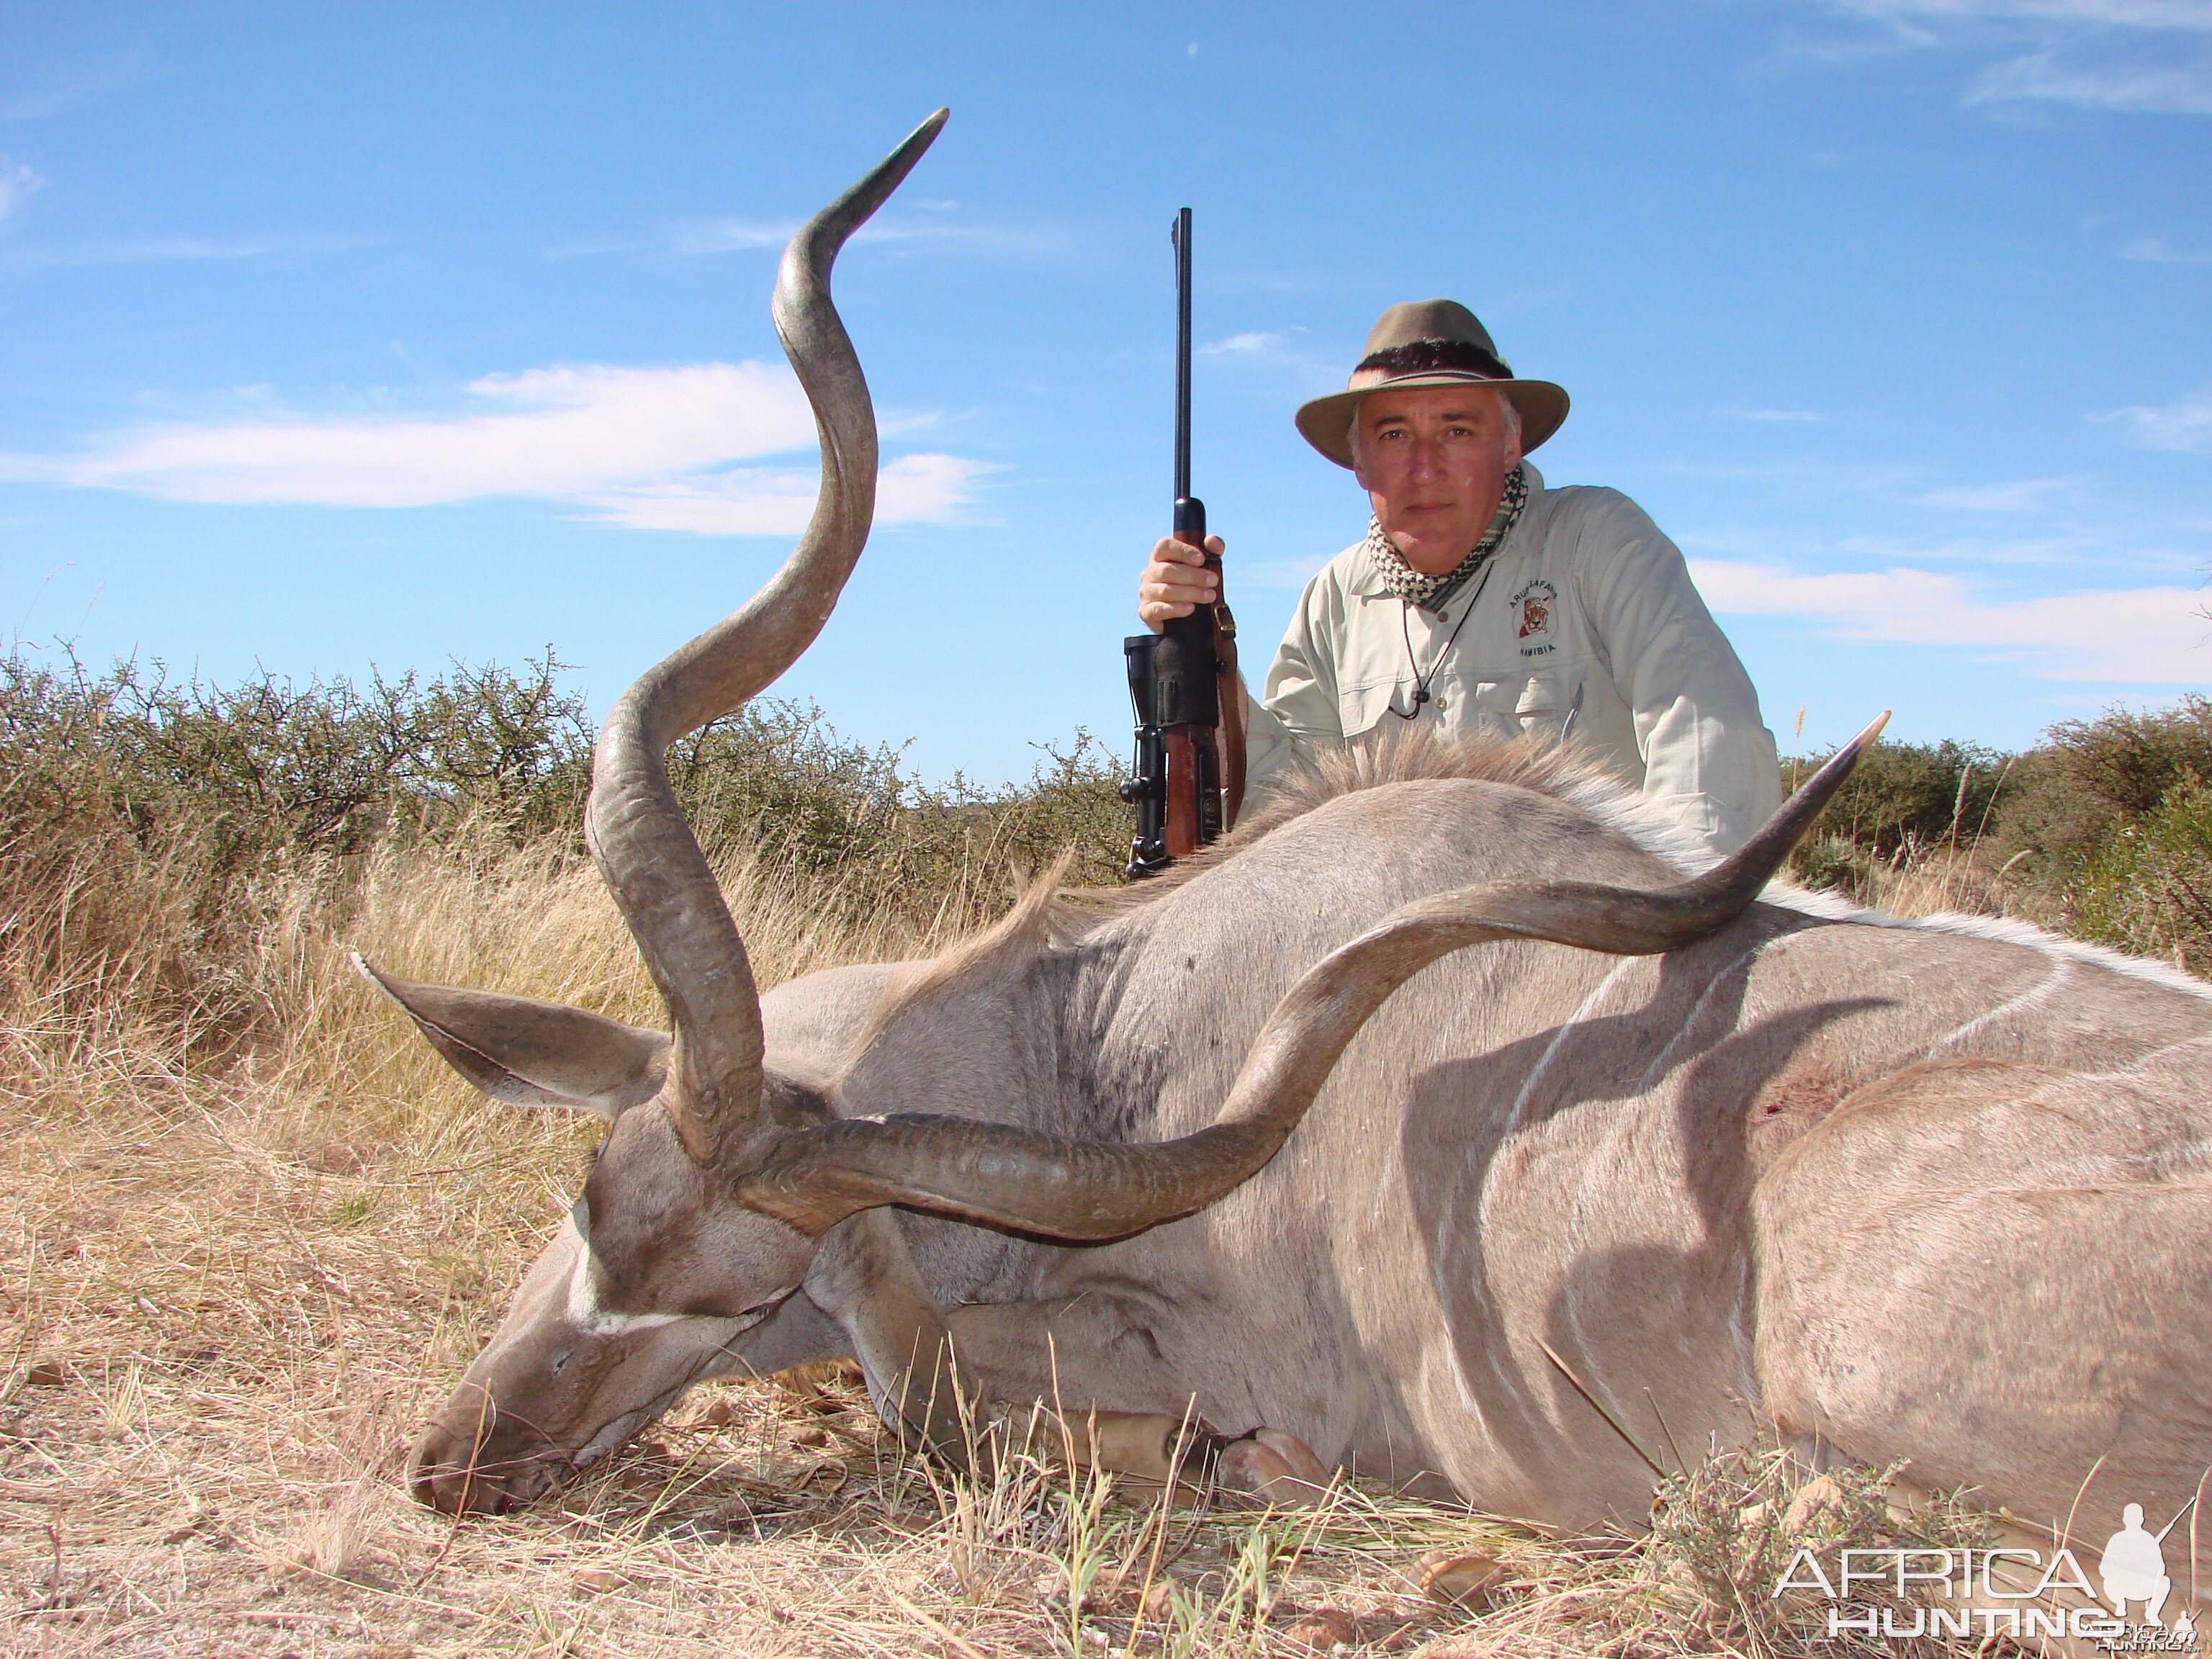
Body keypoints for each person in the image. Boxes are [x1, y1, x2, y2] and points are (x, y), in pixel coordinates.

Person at [1137, 299, 1781, 857]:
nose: (1424, 468)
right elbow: (1284, 802)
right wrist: (1197, 658)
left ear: (1509, 444)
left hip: (1589, 949)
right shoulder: (1334, 597)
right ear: (1359, 463)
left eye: (1456, 429)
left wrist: (1670, 914)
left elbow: (1706, 736)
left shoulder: (1598, 540)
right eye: (1393, 435)